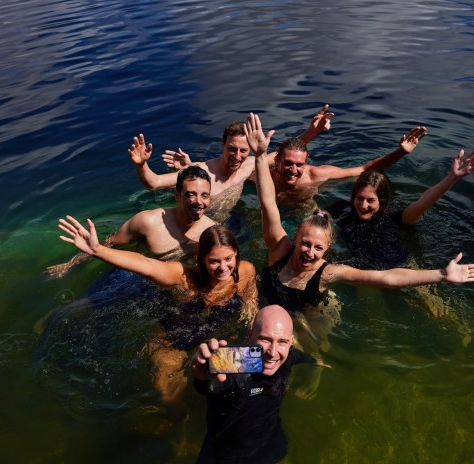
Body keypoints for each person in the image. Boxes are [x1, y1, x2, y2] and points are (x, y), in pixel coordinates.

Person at [244, 112, 474, 394]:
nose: (310, 252)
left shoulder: (339, 263)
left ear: (328, 248)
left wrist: (441, 274)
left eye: (319, 247)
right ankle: (269, 380)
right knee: (273, 346)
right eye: (306, 243)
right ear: (295, 236)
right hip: (294, 298)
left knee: (308, 344)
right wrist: (261, 155)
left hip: (361, 279)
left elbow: (387, 276)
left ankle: (310, 367)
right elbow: (267, 204)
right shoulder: (288, 244)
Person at [56, 217, 258, 421]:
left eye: (228, 259)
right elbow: (146, 265)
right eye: (214, 261)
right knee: (170, 397)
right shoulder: (184, 277)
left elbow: (250, 303)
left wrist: (251, 332)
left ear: (236, 255)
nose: (223, 267)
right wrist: (98, 250)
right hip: (171, 343)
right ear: (202, 259)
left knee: (259, 364)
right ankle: (181, 433)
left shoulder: (245, 271)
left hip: (211, 341)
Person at [128, 105, 334, 214]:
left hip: (228, 221)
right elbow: (153, 183)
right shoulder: (201, 171)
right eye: (232, 149)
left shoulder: (248, 166)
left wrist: (312, 131)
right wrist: (141, 165)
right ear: (222, 146)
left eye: (243, 150)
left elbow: (284, 154)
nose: (237, 156)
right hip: (197, 222)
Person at [191, 305, 322, 464]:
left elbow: (307, 358)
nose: (273, 353)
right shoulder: (237, 366)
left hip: (270, 441)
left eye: (282, 342)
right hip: (227, 456)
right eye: (265, 339)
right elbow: (213, 386)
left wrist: (317, 369)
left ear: (290, 343)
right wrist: (203, 377)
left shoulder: (287, 357)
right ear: (250, 336)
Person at [46, 165, 215, 277]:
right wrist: (70, 264)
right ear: (177, 196)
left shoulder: (211, 231)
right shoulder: (147, 222)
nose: (198, 202)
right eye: (190, 195)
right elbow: (110, 244)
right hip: (135, 277)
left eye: (204, 195)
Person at [336, 147, 474, 269]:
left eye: (371, 200)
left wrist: (452, 178)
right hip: (366, 272)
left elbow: (422, 203)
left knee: (434, 304)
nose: (363, 205)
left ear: (382, 201)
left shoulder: (395, 218)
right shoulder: (342, 211)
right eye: (359, 198)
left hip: (403, 268)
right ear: (353, 196)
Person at [270, 125, 427, 203]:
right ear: (277, 161)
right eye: (288, 163)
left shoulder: (316, 175)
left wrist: (400, 152)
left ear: (306, 163)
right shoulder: (261, 176)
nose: (293, 170)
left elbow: (365, 169)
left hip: (306, 211)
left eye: (299, 164)